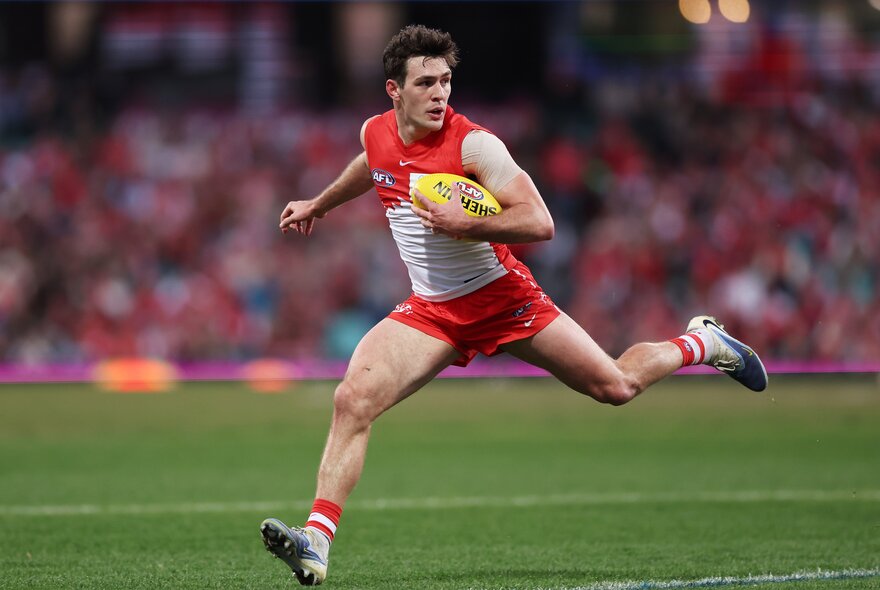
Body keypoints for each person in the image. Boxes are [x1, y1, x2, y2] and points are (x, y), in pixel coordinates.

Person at [259, 24, 767, 586]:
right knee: (352, 398)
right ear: (393, 91)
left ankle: (703, 341)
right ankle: (316, 543)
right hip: (432, 312)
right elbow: (371, 164)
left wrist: (468, 222)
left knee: (616, 387)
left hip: (504, 299)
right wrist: (321, 203)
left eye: (446, 81)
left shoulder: (475, 145)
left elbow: (540, 222)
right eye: (425, 82)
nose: (439, 94)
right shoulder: (375, 132)